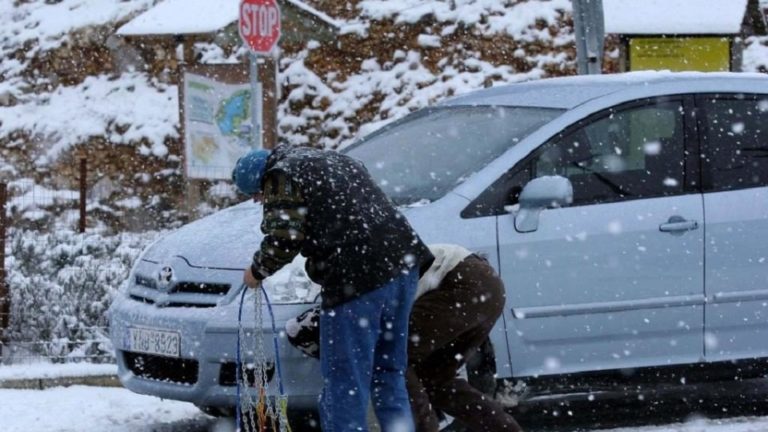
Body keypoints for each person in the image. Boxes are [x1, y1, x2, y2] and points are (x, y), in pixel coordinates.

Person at [231, 145, 433, 432]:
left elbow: (284, 237)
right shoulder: (331, 159)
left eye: (256, 194)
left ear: (260, 180)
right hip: (403, 265)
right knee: (388, 372)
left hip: (357, 278)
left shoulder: (281, 174)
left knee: (345, 382)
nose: (257, 200)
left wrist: (257, 271)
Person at [286, 244, 524, 432]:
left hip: (462, 283)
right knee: (437, 379)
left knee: (392, 359)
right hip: (486, 287)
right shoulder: (364, 263)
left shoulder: (359, 282)